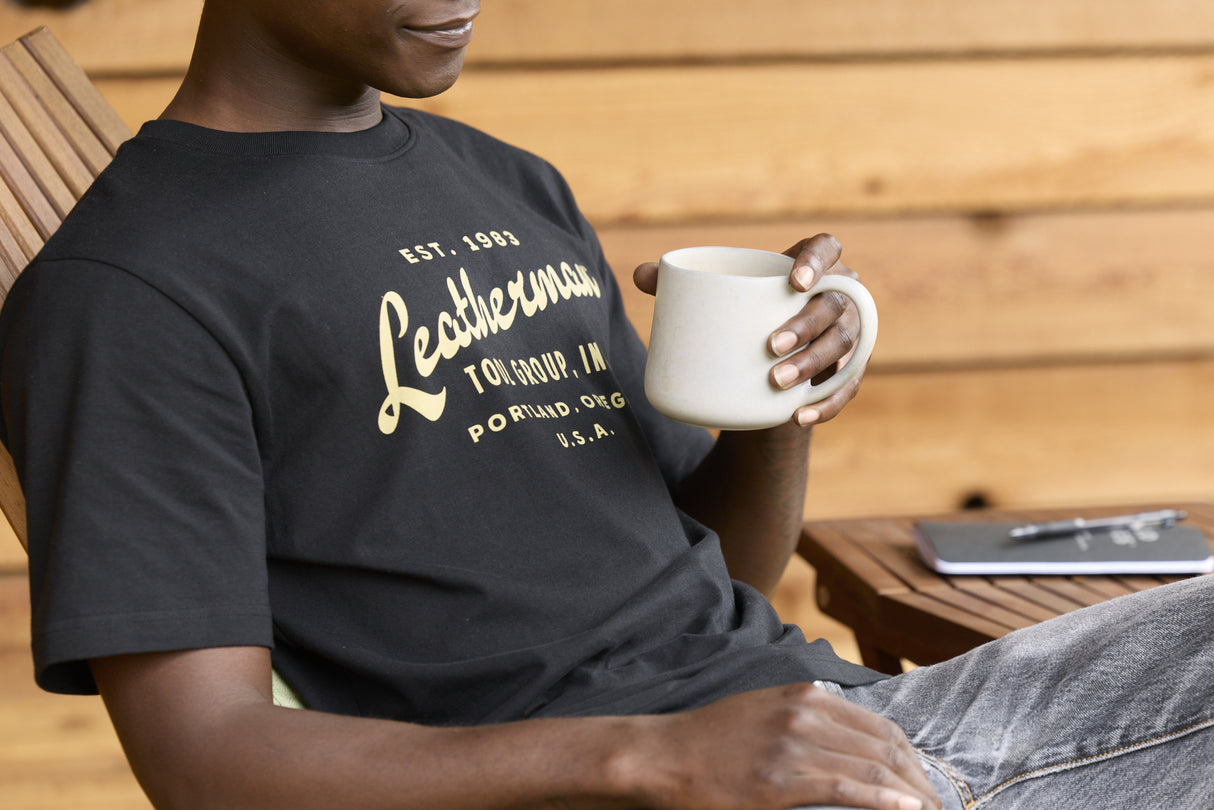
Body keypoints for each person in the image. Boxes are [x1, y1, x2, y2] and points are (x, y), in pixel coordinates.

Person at [0, 2, 1210, 809]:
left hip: (846, 727)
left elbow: (719, 568)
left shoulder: (500, 179)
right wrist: (653, 753)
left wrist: (776, 400)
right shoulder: (131, 291)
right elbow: (203, 759)